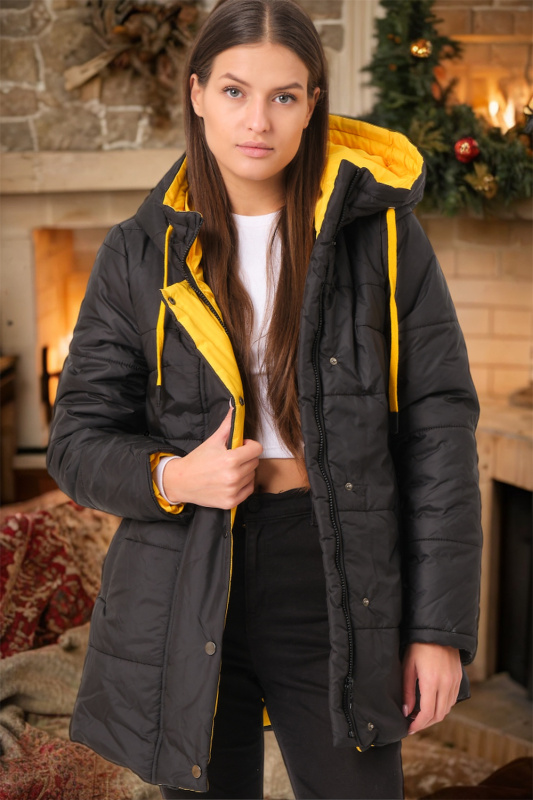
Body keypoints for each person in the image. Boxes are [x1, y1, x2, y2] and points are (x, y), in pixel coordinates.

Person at [46, 0, 482, 798]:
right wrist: (174, 476)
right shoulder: (137, 252)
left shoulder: (382, 237)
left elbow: (438, 432)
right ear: (197, 94)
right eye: (235, 91)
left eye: (284, 96)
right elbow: (76, 439)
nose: (258, 121)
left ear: (312, 104)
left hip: (333, 569)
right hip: (186, 577)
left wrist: (437, 630)